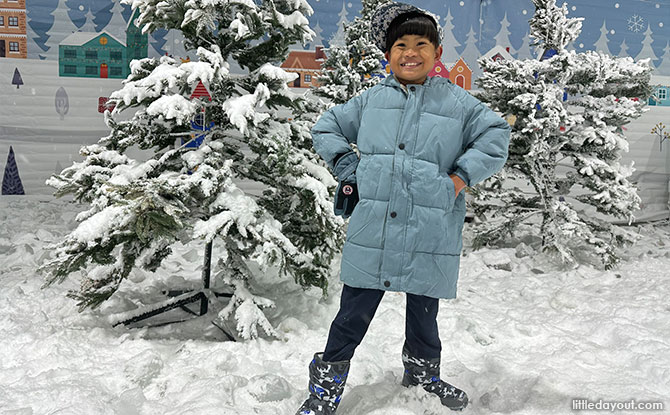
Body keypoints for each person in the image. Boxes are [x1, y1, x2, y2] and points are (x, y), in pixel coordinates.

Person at [296, 3, 511, 414]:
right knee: (351, 315)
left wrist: (460, 177)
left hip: (429, 225)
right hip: (373, 227)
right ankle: (324, 390)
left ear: (436, 52)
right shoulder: (370, 101)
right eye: (400, 44)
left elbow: (496, 135)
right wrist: (346, 164)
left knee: (424, 315)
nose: (410, 52)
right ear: (388, 53)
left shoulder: (458, 103)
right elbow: (326, 127)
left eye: (420, 44)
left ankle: (423, 376)